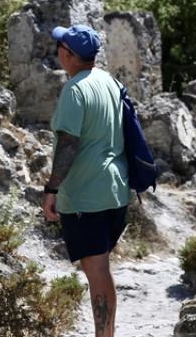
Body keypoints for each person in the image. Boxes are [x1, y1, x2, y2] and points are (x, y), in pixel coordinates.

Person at [42, 24, 130, 337]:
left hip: (86, 195)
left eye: (59, 48)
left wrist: (51, 188)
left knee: (96, 270)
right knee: (101, 267)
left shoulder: (75, 90)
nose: (57, 53)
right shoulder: (109, 81)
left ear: (68, 55)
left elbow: (68, 144)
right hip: (115, 191)